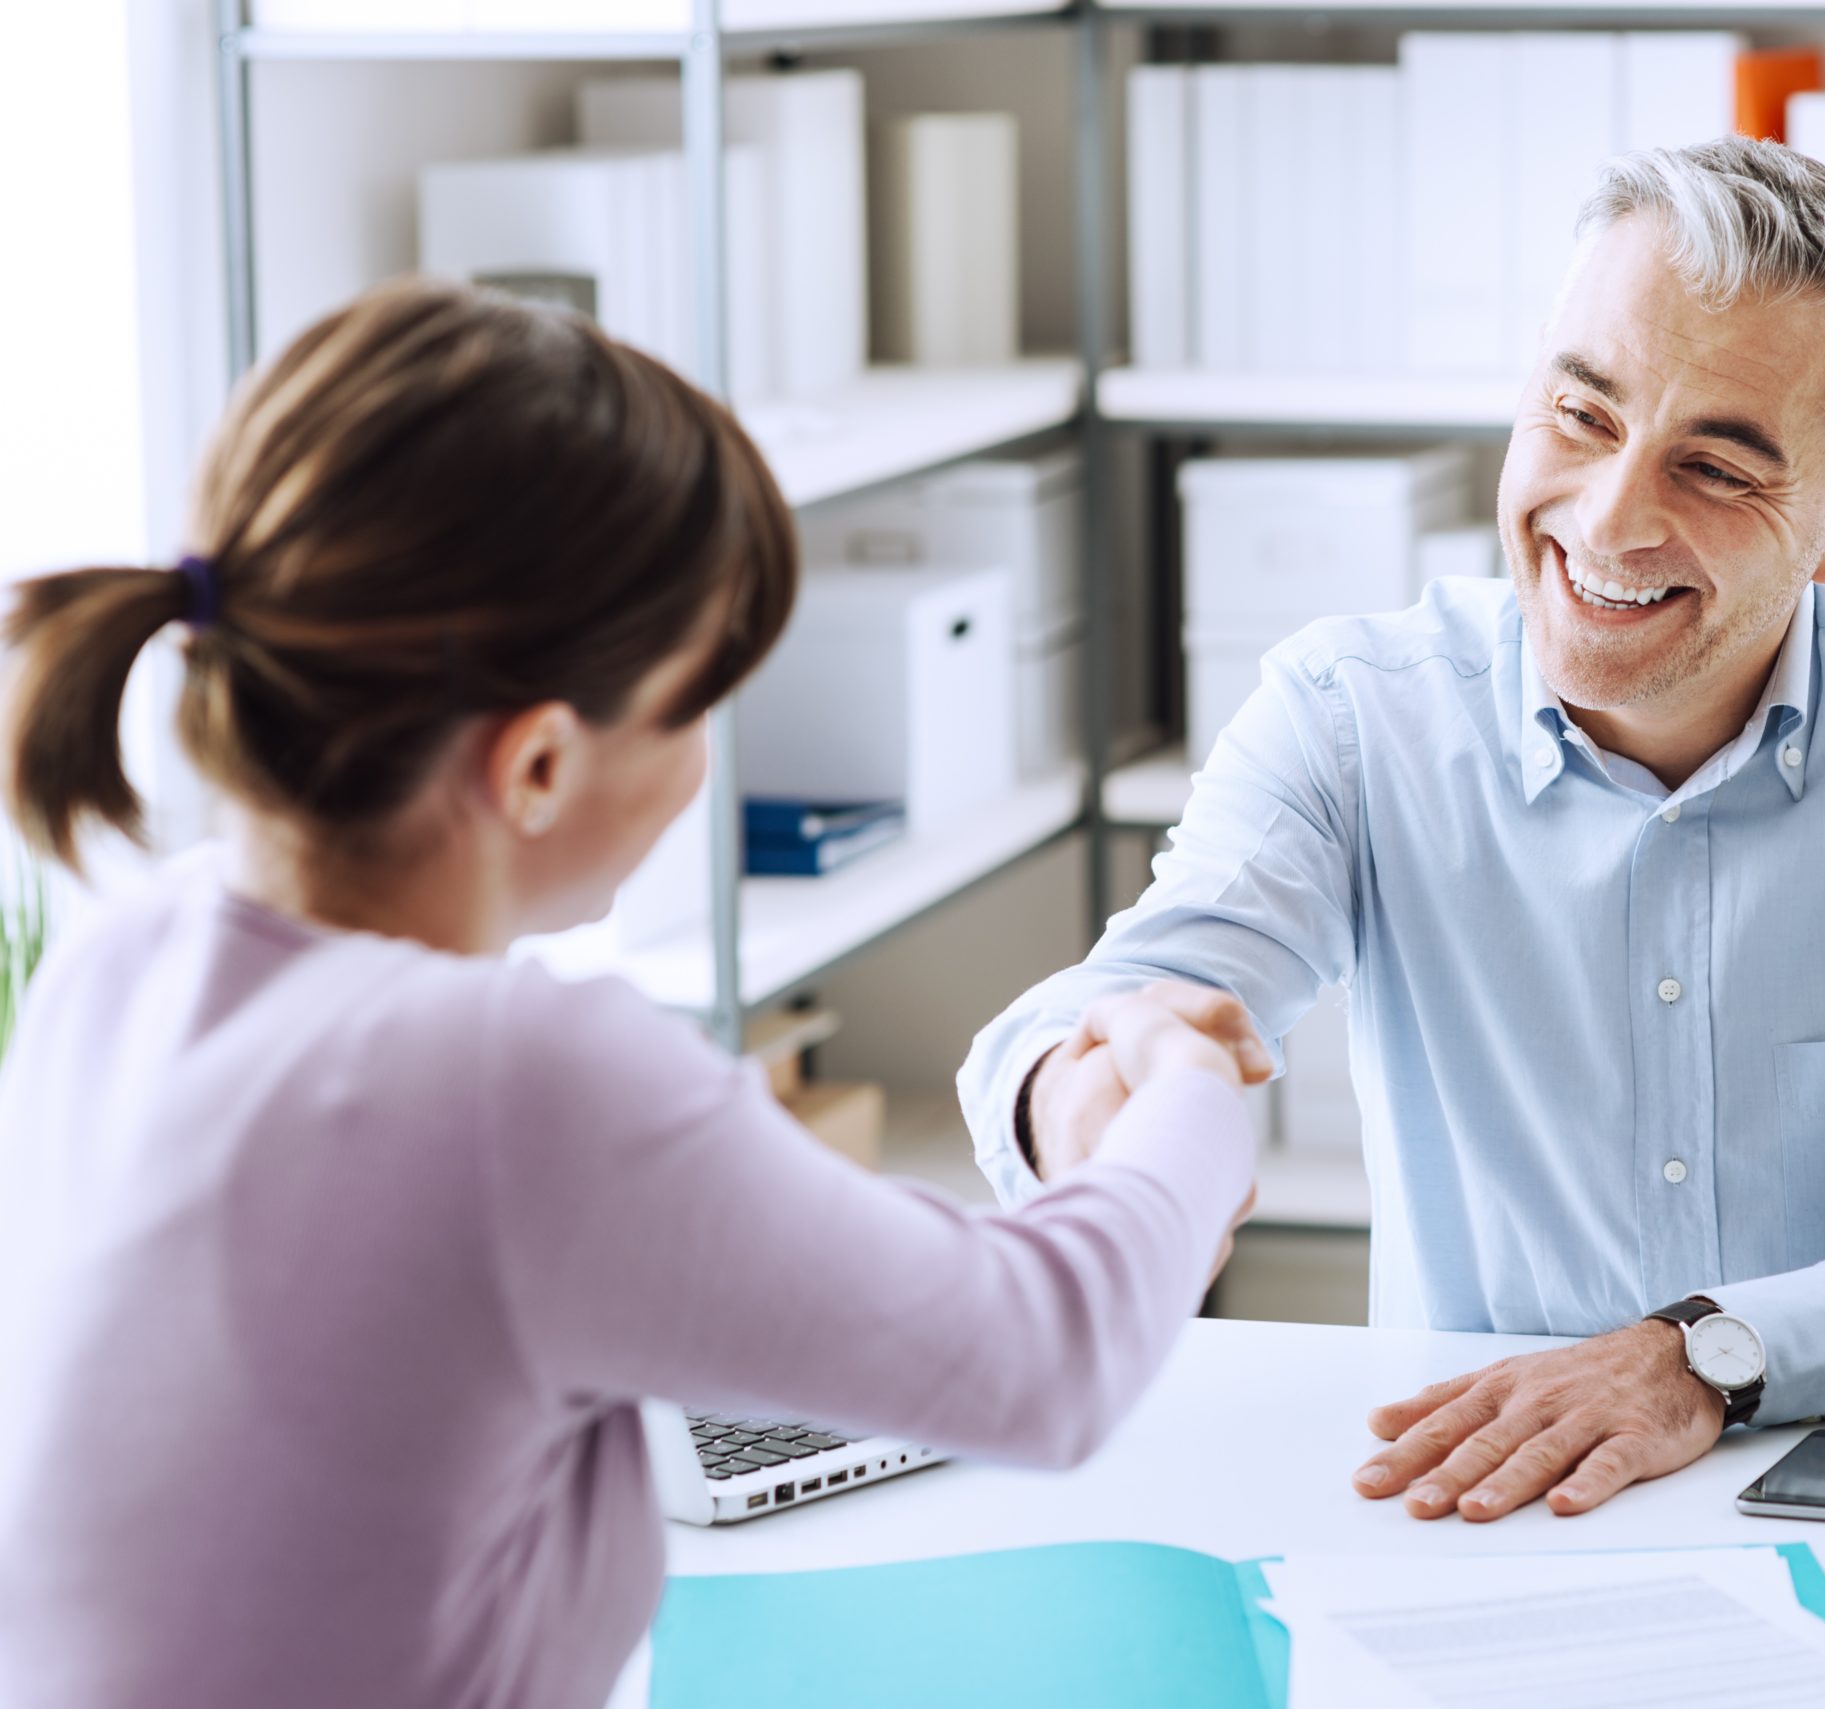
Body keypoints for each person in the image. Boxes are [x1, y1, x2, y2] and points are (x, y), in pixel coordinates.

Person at [0, 279, 1260, 1709]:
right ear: (538, 764)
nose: (710, 757)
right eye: (697, 701)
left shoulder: (118, 965)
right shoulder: (505, 1079)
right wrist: (1188, 1085)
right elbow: (1052, 1356)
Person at [962, 138, 1825, 1525]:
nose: (1611, 519)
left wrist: (1710, 1357)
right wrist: (1082, 1094)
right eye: (1581, 415)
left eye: (1717, 468)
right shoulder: (1355, 712)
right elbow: (1121, 1007)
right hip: (1480, 1507)